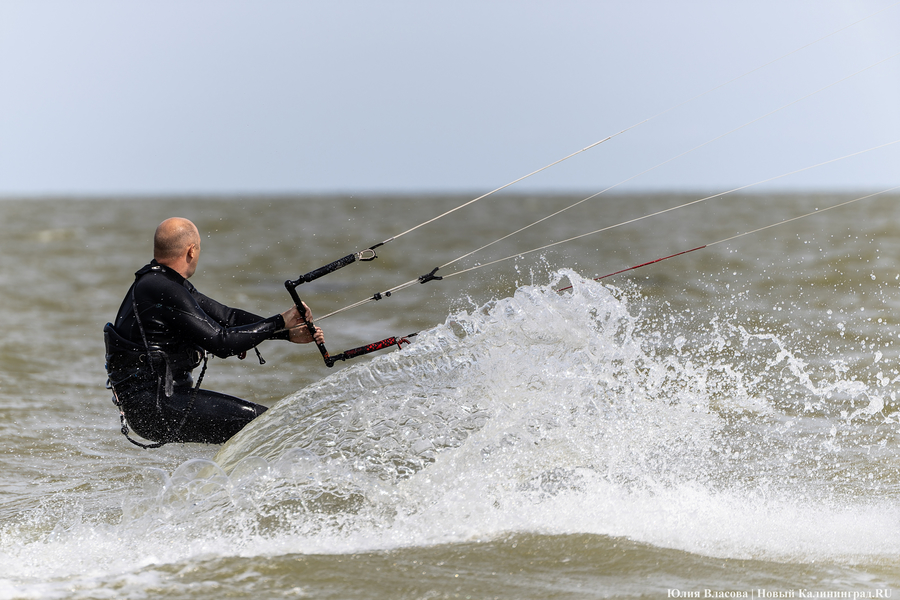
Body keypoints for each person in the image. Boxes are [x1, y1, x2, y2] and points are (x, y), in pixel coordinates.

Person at [103, 217, 324, 447]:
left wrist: (287, 332)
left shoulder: (163, 282)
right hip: (156, 407)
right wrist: (280, 321)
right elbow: (222, 342)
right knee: (266, 425)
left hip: (155, 405)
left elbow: (228, 318)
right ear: (191, 251)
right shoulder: (162, 288)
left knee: (260, 429)